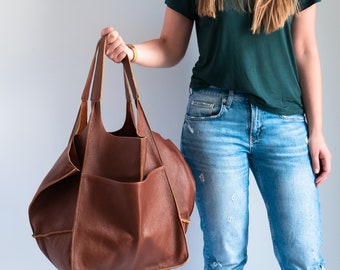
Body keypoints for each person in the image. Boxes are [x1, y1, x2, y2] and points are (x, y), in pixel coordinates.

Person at [101, 0, 332, 269]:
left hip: (285, 124)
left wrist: (316, 131)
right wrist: (130, 51)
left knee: (305, 258)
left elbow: (305, 50)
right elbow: (170, 46)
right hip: (214, 121)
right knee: (225, 260)